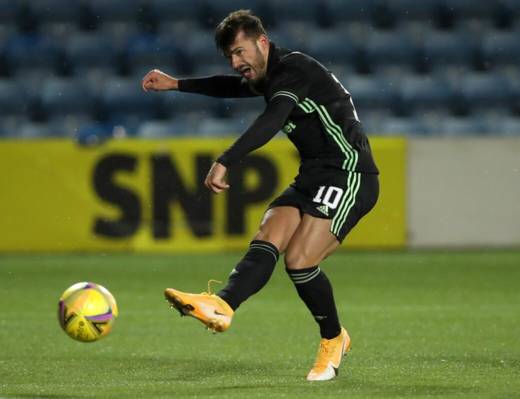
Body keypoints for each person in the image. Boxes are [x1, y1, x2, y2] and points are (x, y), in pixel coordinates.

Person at [141, 10, 379, 381]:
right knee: (268, 233)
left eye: (240, 52)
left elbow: (272, 119)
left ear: (262, 42)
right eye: (230, 57)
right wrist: (176, 84)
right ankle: (222, 303)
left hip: (351, 173)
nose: (236, 63)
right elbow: (230, 87)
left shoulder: (294, 70)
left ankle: (334, 339)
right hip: (313, 175)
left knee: (299, 261)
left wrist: (226, 160)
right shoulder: (267, 75)